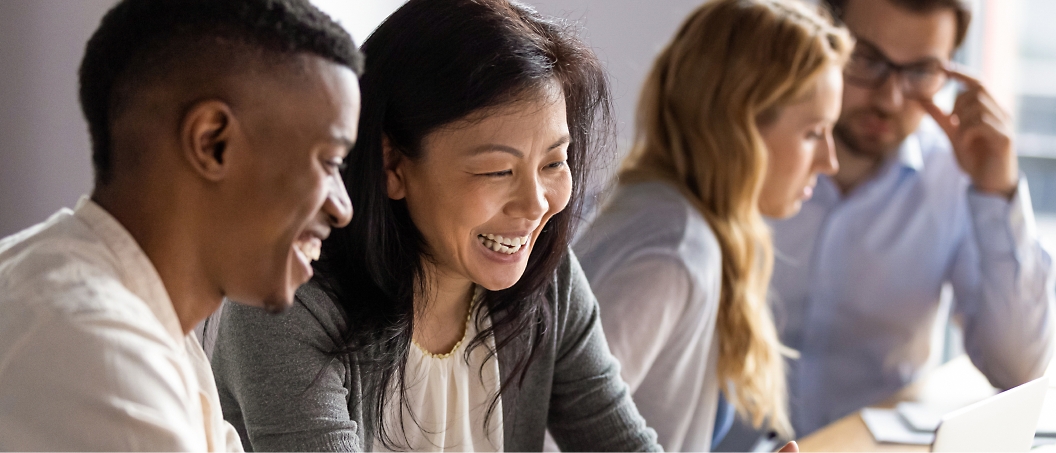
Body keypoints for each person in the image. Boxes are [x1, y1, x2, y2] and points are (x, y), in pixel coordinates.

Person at [208, 0, 662, 451]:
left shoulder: (549, 279)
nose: (535, 204)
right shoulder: (291, 300)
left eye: (554, 163)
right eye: (497, 171)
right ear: (392, 164)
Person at [0, 0, 361, 450]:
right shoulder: (99, 355)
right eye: (329, 162)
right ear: (213, 142)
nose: (342, 207)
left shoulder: (150, 324)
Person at [571, 0, 851, 450]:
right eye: (813, 132)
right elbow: (549, 438)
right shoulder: (672, 256)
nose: (830, 161)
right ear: (741, 127)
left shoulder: (671, 214)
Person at [768, 0, 1055, 436]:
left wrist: (997, 192)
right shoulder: (746, 156)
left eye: (920, 72)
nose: (889, 98)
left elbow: (1018, 369)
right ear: (821, 36)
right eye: (865, 59)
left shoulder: (956, 178)